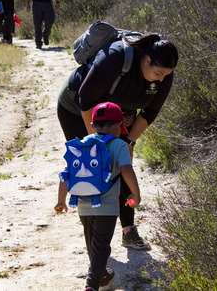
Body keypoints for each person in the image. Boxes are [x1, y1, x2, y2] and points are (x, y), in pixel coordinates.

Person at [57, 33, 178, 249]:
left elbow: (150, 112)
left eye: (165, 75)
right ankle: (94, 239)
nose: (161, 79)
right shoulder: (116, 57)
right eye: (158, 73)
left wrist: (128, 143)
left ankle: (128, 232)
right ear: (147, 60)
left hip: (116, 118)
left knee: (122, 166)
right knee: (91, 167)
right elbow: (85, 99)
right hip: (78, 109)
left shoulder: (164, 74)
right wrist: (94, 141)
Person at [55, 101, 141, 291]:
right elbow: (126, 169)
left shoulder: (84, 142)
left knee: (92, 244)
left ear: (93, 126)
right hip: (107, 207)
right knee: (101, 246)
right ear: (120, 126)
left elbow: (66, 173)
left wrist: (61, 201)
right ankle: (91, 285)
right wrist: (135, 193)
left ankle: (102, 276)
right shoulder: (119, 144)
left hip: (83, 205)